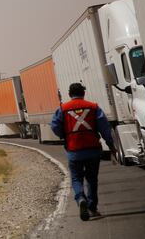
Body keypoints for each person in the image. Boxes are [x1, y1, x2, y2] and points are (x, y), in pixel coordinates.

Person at [51, 82, 116, 221]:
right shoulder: (93, 107)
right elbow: (105, 127)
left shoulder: (62, 109)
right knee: (92, 179)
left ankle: (80, 198)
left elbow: (55, 126)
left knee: (76, 178)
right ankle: (92, 208)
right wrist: (111, 145)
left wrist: (65, 135)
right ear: (83, 93)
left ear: (69, 94)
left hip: (74, 150)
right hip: (93, 149)